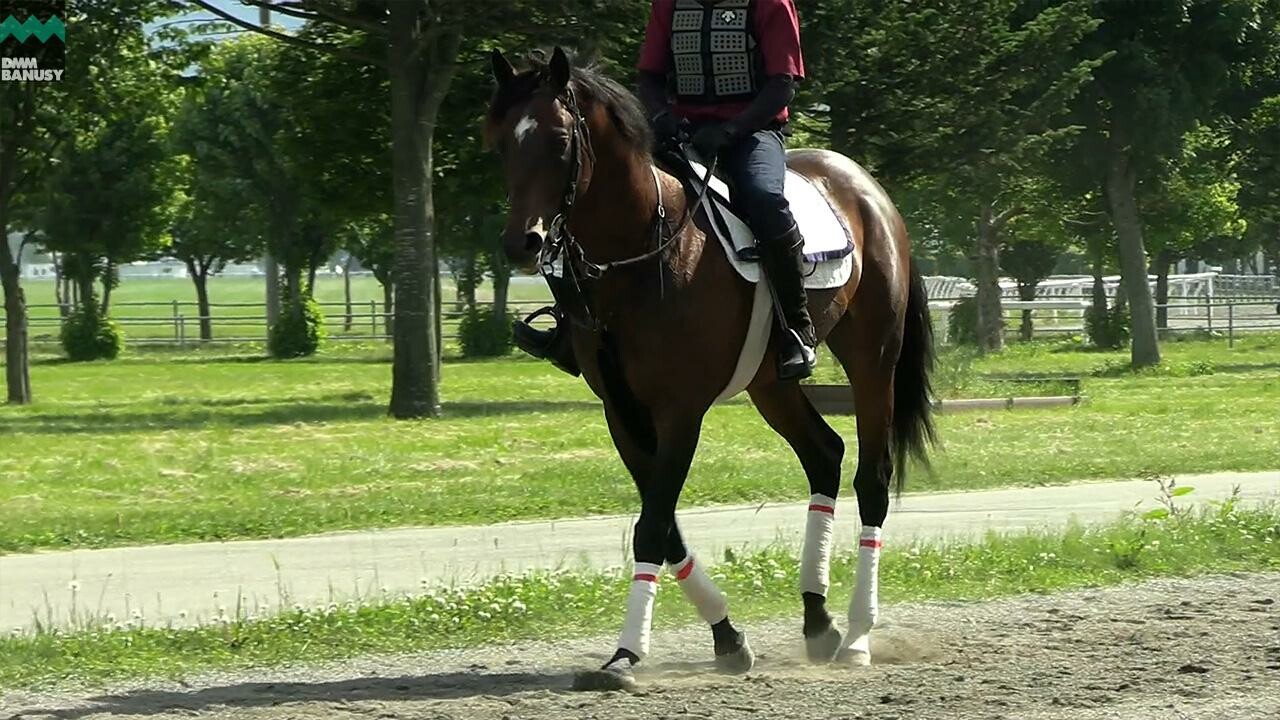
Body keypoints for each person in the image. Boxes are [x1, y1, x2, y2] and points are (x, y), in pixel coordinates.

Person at [513, 0, 817, 380]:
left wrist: (730, 130)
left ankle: (796, 330)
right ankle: (568, 328)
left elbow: (782, 85)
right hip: (679, 131)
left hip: (750, 133)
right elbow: (650, 77)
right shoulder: (670, 3)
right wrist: (662, 117)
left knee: (765, 200)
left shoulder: (770, 3)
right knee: (594, 194)